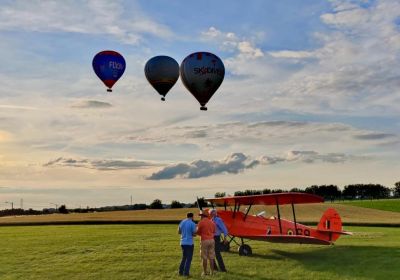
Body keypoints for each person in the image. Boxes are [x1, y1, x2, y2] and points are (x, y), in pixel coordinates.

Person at [196, 210, 216, 276]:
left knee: (204, 257)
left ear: (202, 216)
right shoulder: (212, 222)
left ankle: (204, 272)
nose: (200, 217)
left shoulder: (201, 222)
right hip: (212, 240)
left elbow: (197, 232)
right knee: (211, 257)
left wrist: (201, 234)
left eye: (200, 216)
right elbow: (214, 231)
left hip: (204, 240)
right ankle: (212, 272)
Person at [178, 212, 196, 277]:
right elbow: (194, 234)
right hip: (189, 243)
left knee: (184, 257)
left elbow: (179, 232)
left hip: (182, 242)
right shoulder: (193, 223)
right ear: (192, 216)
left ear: (187, 216)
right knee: (189, 259)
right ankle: (186, 273)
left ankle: (180, 271)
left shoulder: (182, 222)